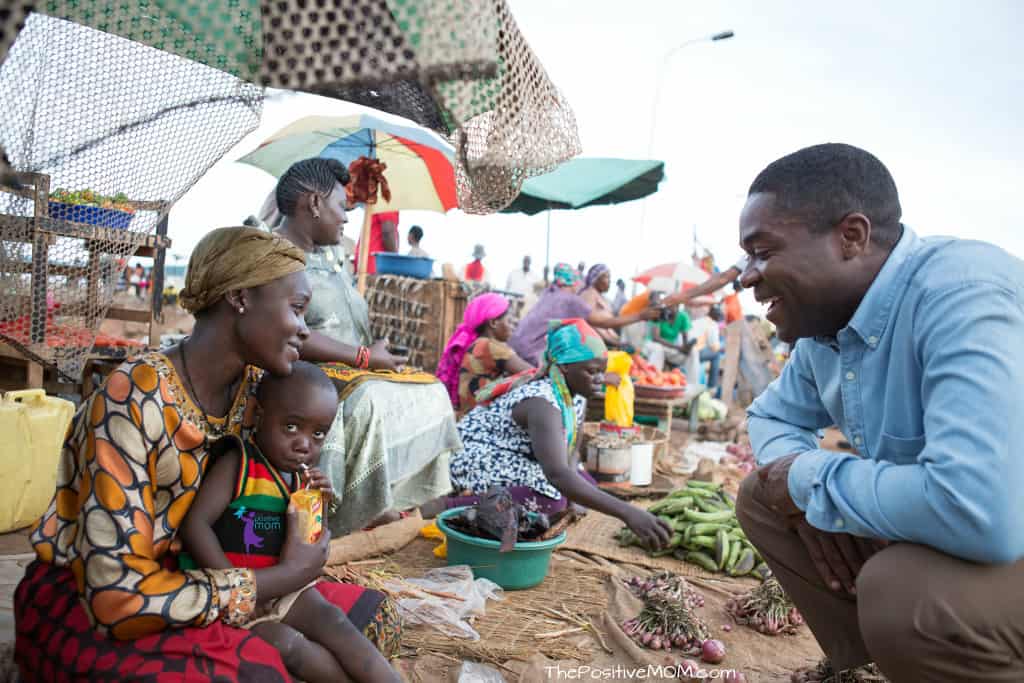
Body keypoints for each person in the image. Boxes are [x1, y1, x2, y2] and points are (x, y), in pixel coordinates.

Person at [13, 227, 401, 681]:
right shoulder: (131, 397)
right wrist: (277, 580)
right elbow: (113, 597)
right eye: (296, 309)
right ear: (240, 297)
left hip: (211, 575)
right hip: (106, 595)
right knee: (259, 671)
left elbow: (274, 496)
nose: (303, 329)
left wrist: (306, 518)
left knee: (375, 620)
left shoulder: (257, 395)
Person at [735, 143, 1024, 683]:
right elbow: (770, 419)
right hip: (986, 530)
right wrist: (800, 495)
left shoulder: (962, 293)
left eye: (762, 251)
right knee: (764, 496)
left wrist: (810, 481)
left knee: (905, 592)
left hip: (1002, 524)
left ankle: (967, 653)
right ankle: (896, 664)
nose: (746, 276)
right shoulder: (827, 331)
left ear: (852, 236)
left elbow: (983, 513)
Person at [271, 158, 460, 533]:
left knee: (433, 389)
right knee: (368, 400)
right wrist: (363, 357)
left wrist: (374, 350)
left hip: (350, 366)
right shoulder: (273, 255)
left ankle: (387, 497)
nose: (345, 218)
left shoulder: (328, 256)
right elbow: (285, 332)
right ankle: (351, 511)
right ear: (313, 204)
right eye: (341, 207)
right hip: (299, 374)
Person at [180, 362, 400, 683]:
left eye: (318, 434)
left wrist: (320, 504)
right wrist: (235, 589)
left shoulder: (300, 478)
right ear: (257, 414)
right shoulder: (238, 465)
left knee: (336, 623)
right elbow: (195, 526)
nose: (304, 444)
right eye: (292, 427)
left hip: (287, 590)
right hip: (237, 600)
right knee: (286, 644)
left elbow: (307, 538)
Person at [442, 319, 672, 550]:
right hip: (478, 456)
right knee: (551, 501)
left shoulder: (575, 394)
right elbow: (557, 474)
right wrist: (627, 513)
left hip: (517, 456)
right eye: (592, 372)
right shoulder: (542, 403)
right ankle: (450, 505)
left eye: (602, 372)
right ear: (564, 368)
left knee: (585, 484)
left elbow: (571, 453)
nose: (600, 380)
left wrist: (576, 496)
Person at [508, 263, 659, 366]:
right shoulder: (571, 300)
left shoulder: (550, 293)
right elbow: (603, 323)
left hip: (515, 347)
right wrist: (640, 316)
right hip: (530, 354)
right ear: (574, 282)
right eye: (606, 277)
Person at [436, 292, 532, 413]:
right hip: (481, 420)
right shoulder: (489, 346)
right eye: (509, 320)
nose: (514, 325)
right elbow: (533, 372)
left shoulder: (478, 344)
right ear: (493, 323)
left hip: (468, 418)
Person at [578, 264, 622, 346]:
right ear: (596, 279)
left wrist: (615, 339)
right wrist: (612, 341)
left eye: (610, 278)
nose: (609, 281)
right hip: (591, 346)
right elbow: (588, 322)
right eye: (606, 277)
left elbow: (606, 327)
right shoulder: (590, 294)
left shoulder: (599, 296)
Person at [687, 295, 722, 390]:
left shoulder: (695, 319)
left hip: (684, 349)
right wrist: (721, 348)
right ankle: (712, 386)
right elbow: (714, 346)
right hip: (694, 352)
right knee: (716, 355)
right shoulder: (711, 323)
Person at [355, 210, 399, 274]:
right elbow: (388, 232)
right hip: (375, 265)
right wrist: (396, 262)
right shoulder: (390, 201)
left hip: (366, 262)